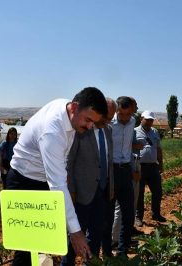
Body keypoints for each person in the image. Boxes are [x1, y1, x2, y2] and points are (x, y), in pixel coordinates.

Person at [6, 87, 108, 266]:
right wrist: (76, 232)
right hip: (24, 181)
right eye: (88, 120)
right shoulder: (52, 131)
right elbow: (58, 186)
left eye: (94, 122)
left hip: (42, 179)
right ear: (74, 108)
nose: (90, 126)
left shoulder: (66, 110)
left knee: (44, 241)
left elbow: (59, 171)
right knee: (27, 247)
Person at [62, 98, 116, 265]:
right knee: (75, 235)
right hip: (81, 193)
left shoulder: (108, 131)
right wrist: (71, 190)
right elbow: (69, 162)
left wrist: (111, 185)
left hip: (102, 191)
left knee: (96, 233)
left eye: (110, 119)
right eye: (105, 117)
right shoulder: (81, 129)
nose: (107, 122)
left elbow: (108, 159)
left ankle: (90, 263)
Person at [103, 96, 136, 257]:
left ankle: (122, 250)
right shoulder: (108, 124)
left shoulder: (132, 122)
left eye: (128, 114)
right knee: (108, 214)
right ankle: (107, 250)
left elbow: (130, 145)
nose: (124, 118)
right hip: (111, 172)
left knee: (129, 213)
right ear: (116, 111)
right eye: (121, 114)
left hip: (126, 171)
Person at [134, 110, 166, 223]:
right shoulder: (134, 131)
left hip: (153, 167)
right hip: (139, 166)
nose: (149, 122)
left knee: (157, 191)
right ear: (141, 119)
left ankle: (156, 214)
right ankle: (138, 217)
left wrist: (160, 164)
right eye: (147, 120)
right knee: (139, 193)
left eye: (151, 120)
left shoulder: (155, 132)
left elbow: (158, 149)